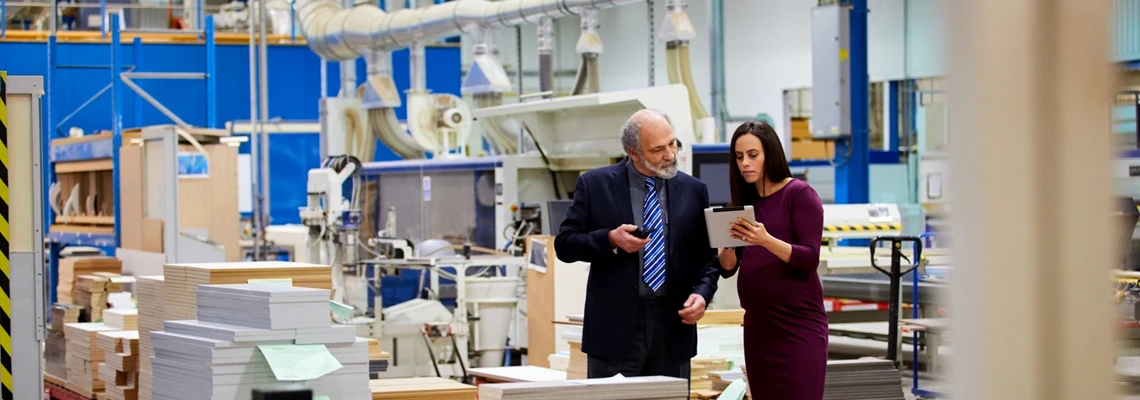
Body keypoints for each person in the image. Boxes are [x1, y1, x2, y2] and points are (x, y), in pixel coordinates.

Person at [555, 109, 720, 380]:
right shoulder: (595, 185)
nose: (670, 154)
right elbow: (565, 244)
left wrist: (702, 294)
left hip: (673, 327)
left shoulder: (694, 190)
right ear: (633, 153)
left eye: (672, 143)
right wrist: (609, 239)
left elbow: (708, 257)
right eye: (658, 149)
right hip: (614, 330)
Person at [718, 121, 827, 399]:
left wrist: (765, 240)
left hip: (798, 328)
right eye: (739, 157)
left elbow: (809, 258)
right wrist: (726, 245)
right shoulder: (742, 205)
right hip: (759, 330)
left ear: (771, 153)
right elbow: (728, 269)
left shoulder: (800, 195)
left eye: (753, 155)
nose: (745, 163)